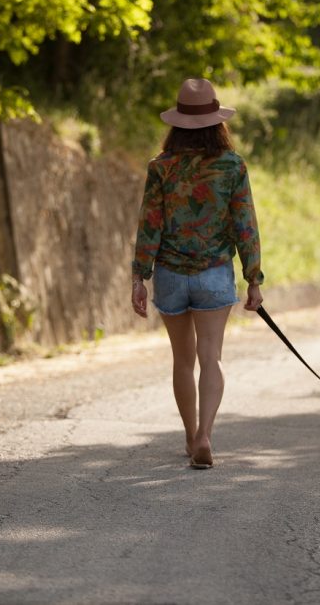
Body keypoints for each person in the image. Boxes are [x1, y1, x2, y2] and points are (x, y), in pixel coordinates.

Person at [131, 78, 264, 470]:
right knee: (211, 357)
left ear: (177, 123)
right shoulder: (232, 166)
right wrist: (253, 278)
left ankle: (190, 437)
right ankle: (206, 433)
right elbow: (246, 225)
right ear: (217, 122)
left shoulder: (162, 167)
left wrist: (140, 276)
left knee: (182, 360)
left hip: (171, 274)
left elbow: (149, 223)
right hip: (214, 274)